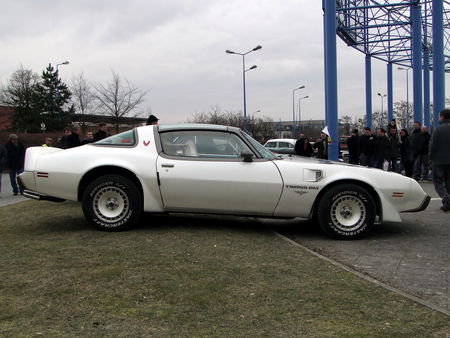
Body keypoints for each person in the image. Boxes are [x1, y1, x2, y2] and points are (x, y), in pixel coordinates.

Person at [430, 109, 450, 212]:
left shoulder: (438, 130)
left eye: (439, 116)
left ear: (442, 117)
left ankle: (446, 199)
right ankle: (447, 203)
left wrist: (431, 158)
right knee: (448, 181)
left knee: (437, 182)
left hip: (439, 161)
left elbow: (433, 146)